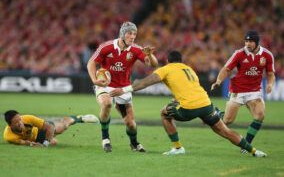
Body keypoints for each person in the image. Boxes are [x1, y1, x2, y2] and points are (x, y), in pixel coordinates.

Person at [110, 50, 267, 157]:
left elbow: (145, 82)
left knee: (164, 113)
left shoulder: (166, 68)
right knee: (225, 131)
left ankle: (177, 147)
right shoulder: (189, 69)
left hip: (189, 107)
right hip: (206, 104)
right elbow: (189, 89)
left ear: (167, 60)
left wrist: (124, 90)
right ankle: (254, 151)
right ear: (181, 60)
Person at [87, 21, 158, 152]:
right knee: (107, 103)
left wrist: (149, 54)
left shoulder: (136, 49)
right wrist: (94, 80)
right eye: (130, 33)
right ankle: (105, 139)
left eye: (135, 34)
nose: (133, 36)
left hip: (124, 88)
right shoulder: (106, 47)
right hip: (105, 84)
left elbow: (153, 64)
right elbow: (91, 62)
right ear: (122, 34)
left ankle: (134, 144)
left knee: (131, 124)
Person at [211, 30, 275, 153]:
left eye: (250, 41)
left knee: (260, 115)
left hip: (254, 91)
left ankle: (246, 144)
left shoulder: (267, 55)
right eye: (246, 41)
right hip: (237, 90)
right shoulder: (239, 54)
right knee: (227, 121)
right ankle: (218, 114)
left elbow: (271, 74)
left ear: (256, 42)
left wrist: (270, 84)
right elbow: (226, 69)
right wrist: (218, 81)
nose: (247, 44)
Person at [3, 110, 99, 147]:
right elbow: (25, 143)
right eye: (16, 122)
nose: (20, 123)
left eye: (19, 119)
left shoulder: (28, 118)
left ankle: (78, 118)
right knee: (54, 142)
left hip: (41, 130)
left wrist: (45, 144)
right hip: (35, 138)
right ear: (10, 125)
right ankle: (60, 122)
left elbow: (49, 127)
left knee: (62, 127)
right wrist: (33, 145)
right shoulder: (9, 136)